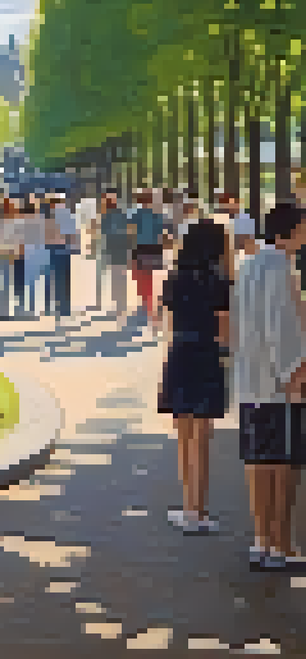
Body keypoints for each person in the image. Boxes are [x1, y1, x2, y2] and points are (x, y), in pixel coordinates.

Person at [232, 202, 306, 571]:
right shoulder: (280, 267)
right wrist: (297, 371)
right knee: (285, 462)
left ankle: (262, 540)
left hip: (251, 379)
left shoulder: (249, 266)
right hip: (280, 383)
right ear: (288, 231)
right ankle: (282, 544)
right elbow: (282, 329)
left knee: (257, 461)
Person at [158, 219, 230, 535]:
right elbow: (224, 327)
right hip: (207, 353)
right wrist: (226, 359)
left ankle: (188, 508)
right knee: (202, 436)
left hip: (179, 353)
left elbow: (167, 322)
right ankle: (197, 510)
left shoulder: (175, 278)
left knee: (184, 433)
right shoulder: (219, 281)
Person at [131, 190, 171, 329]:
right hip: (155, 248)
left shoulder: (136, 215)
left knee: (142, 278)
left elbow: (131, 232)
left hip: (141, 248)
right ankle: (152, 306)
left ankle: (145, 305)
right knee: (153, 278)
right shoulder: (158, 216)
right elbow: (164, 233)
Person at [100, 190, 135, 319]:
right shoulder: (121, 214)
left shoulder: (106, 216)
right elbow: (129, 231)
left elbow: (104, 234)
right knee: (121, 277)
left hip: (113, 249)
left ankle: (118, 304)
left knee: (116, 277)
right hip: (121, 248)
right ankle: (121, 304)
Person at [47, 192, 78, 322]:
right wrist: (75, 248)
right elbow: (74, 233)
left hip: (54, 249)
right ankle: (65, 308)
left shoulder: (50, 216)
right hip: (65, 249)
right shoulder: (69, 215)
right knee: (65, 279)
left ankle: (57, 306)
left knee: (55, 278)